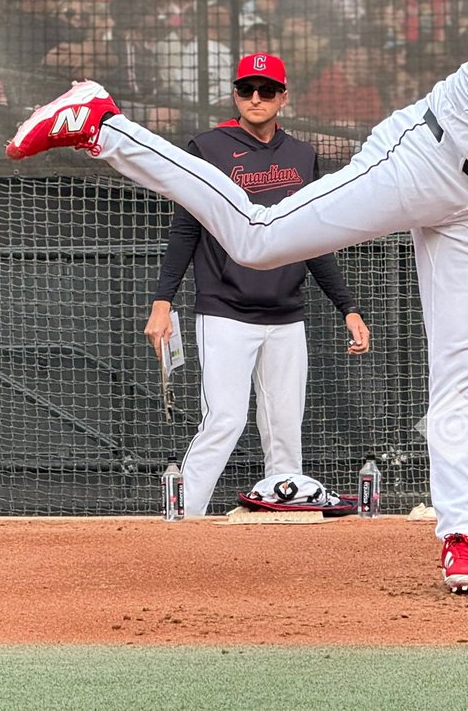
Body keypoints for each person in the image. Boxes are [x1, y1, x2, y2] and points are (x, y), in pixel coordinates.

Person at [6, 0, 468, 595]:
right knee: (257, 238)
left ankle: (460, 537)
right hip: (423, 161)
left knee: (461, 366)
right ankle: (104, 123)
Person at [145, 52, 370, 518]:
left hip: (286, 315)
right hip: (225, 309)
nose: (255, 98)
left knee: (285, 430)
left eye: (266, 90)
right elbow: (185, 228)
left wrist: (347, 306)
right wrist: (162, 302)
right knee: (223, 421)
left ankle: (282, 529)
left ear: (283, 97)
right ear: (235, 94)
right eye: (246, 89)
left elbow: (314, 238)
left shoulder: (302, 155)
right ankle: (182, 522)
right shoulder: (207, 148)